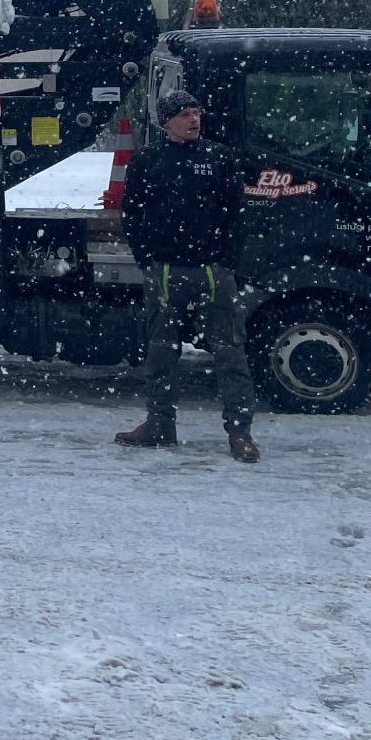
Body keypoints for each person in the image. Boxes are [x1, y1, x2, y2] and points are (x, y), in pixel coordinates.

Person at [115, 90, 261, 462]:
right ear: (166, 122)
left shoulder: (219, 157)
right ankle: (160, 424)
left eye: (196, 113)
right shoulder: (148, 160)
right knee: (161, 352)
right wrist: (146, 258)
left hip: (212, 271)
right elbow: (132, 213)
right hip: (164, 270)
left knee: (229, 352)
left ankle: (240, 432)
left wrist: (227, 261)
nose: (193, 120)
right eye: (184, 115)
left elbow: (236, 215)